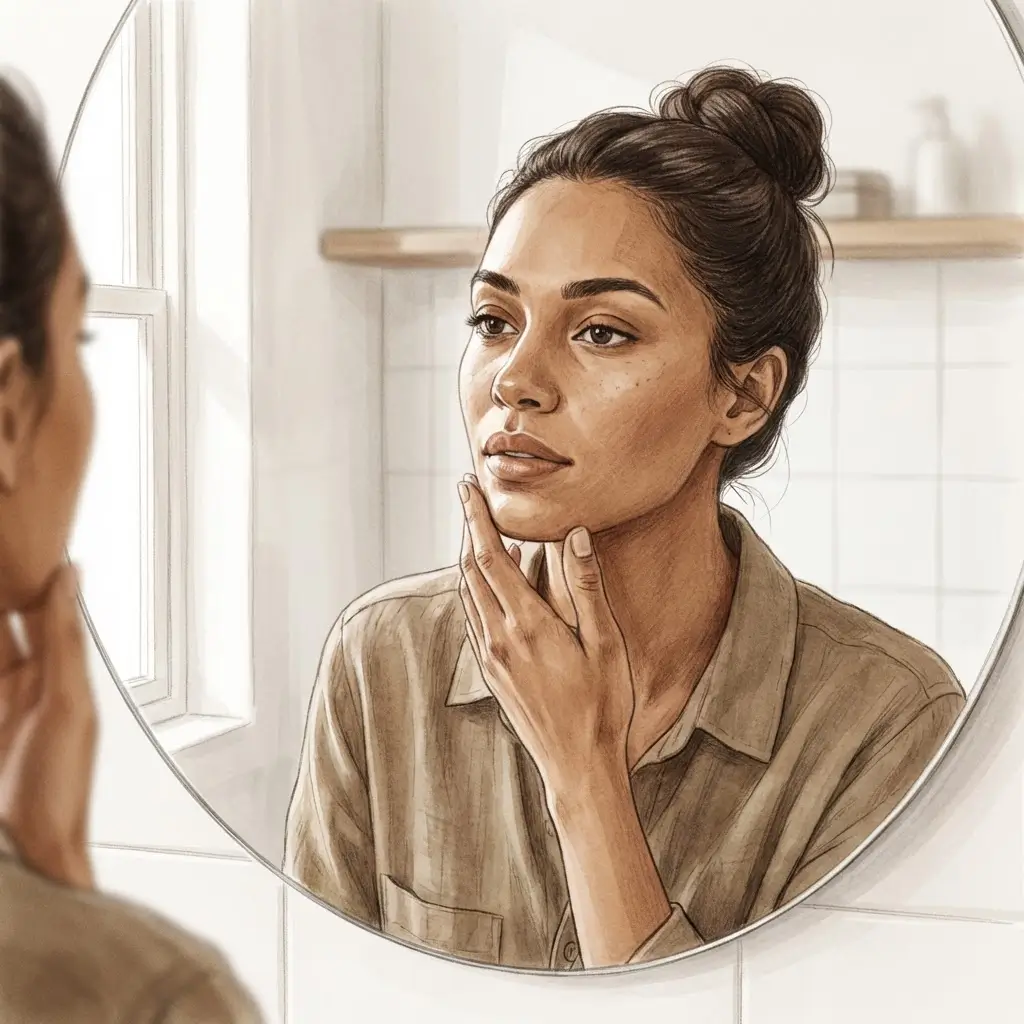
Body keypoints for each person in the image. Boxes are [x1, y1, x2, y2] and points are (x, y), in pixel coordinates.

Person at [284, 65, 967, 971]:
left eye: (601, 331)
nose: (515, 381)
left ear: (743, 394)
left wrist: (584, 777)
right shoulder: (381, 662)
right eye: (493, 320)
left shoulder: (886, 721)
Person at [0, 72, 264, 1021]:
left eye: (604, 331)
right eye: (80, 335)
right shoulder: (149, 997)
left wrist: (50, 882)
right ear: (6, 407)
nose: (516, 380)